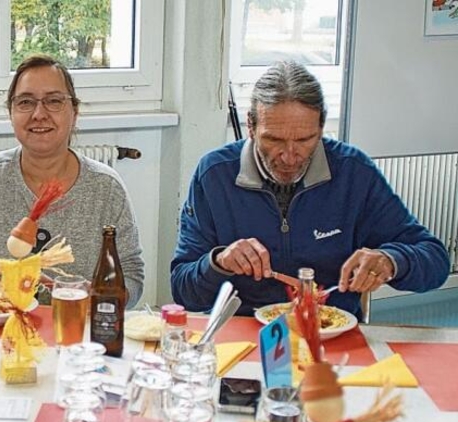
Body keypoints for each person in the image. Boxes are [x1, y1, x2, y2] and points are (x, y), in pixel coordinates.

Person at [171, 60, 449, 317]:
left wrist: (391, 260)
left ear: (321, 128)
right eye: (275, 140)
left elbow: (435, 261)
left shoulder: (354, 172)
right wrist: (219, 261)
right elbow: (184, 292)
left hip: (331, 333)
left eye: (305, 139)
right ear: (252, 127)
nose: (290, 156)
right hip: (244, 333)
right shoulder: (214, 175)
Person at [0, 55, 145, 307]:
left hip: (75, 333)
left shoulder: (105, 188)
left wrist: (98, 295)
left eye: (54, 101)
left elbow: (133, 277)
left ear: (75, 112)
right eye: (26, 102)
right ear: (11, 112)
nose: (39, 114)